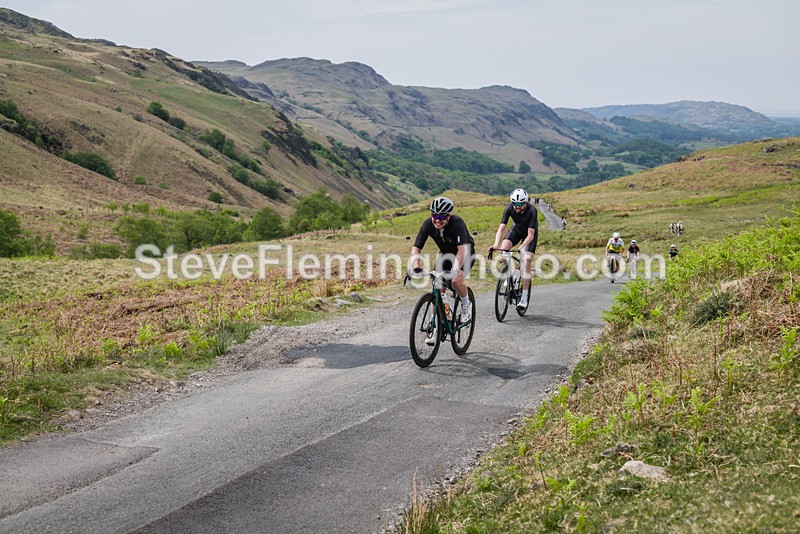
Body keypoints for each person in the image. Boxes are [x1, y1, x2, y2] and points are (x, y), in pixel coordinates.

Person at [410, 197, 475, 337]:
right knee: (438, 288)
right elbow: (416, 248)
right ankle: (436, 326)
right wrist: (416, 267)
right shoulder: (428, 224)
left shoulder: (457, 223)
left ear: (448, 216)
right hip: (445, 255)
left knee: (456, 281)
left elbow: (462, 250)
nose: (437, 220)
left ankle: (466, 305)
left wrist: (454, 270)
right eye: (434, 216)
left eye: (441, 217)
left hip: (465, 253)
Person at [488, 188, 538, 310]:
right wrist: (495, 244)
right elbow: (501, 229)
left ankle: (524, 297)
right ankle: (513, 274)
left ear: (525, 203)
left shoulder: (532, 210)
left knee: (526, 259)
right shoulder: (509, 208)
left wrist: (522, 247)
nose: (517, 206)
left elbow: (531, 235)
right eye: (515, 203)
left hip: (529, 234)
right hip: (516, 230)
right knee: (503, 250)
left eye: (520, 204)